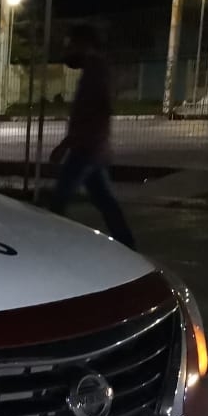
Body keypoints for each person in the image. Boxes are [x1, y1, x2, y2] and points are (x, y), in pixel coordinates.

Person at [49, 24, 136, 250]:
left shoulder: (96, 72)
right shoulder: (95, 70)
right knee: (105, 200)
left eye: (71, 44)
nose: (68, 50)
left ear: (84, 44)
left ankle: (47, 245)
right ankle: (128, 244)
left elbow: (95, 111)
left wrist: (66, 145)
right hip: (93, 149)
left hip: (86, 149)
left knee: (59, 199)